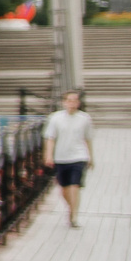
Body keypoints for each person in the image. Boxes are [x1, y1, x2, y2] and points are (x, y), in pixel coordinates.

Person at [46, 87, 94, 226]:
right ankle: (71, 208)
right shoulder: (55, 118)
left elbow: (88, 138)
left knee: (75, 186)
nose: (72, 103)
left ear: (78, 102)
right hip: (61, 157)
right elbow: (50, 138)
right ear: (64, 102)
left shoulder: (84, 119)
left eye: (74, 101)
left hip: (78, 156)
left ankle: (74, 216)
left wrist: (91, 157)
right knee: (64, 189)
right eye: (69, 100)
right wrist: (49, 155)